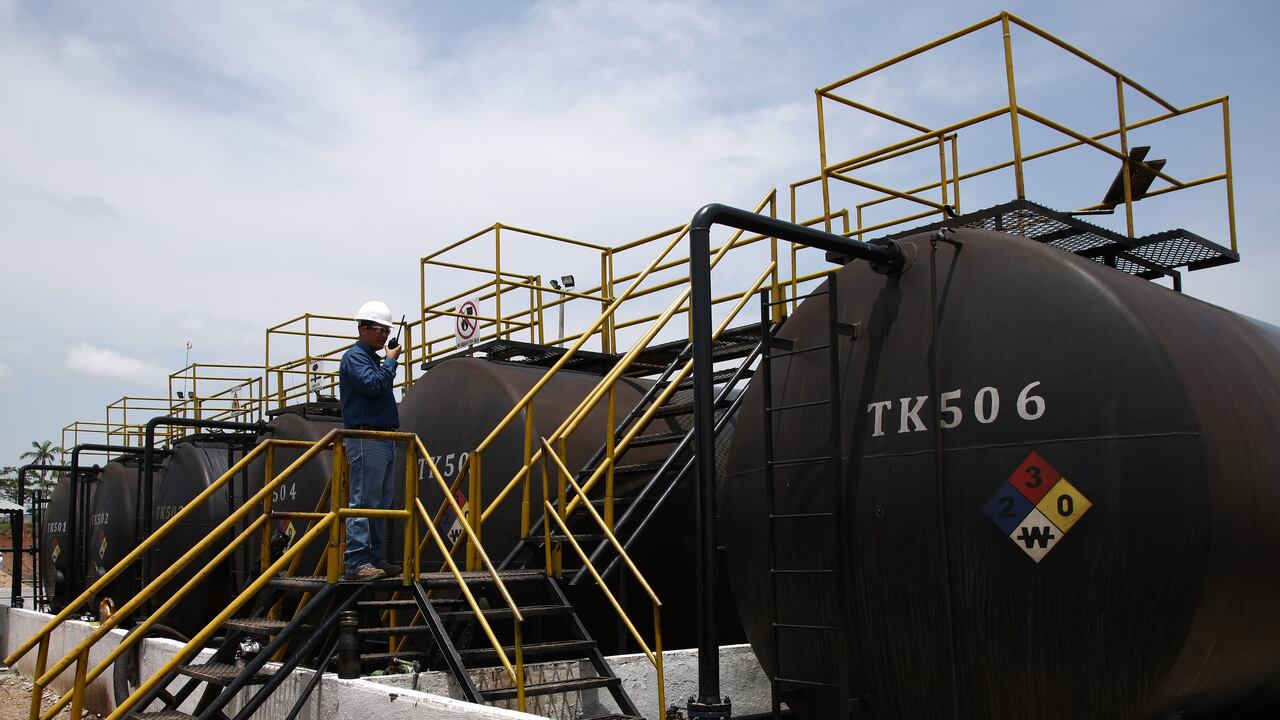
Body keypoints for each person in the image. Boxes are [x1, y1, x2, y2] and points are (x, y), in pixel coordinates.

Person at [339, 300, 402, 581]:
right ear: (363, 329)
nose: (384, 335)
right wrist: (390, 362)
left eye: (387, 331)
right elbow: (373, 385)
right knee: (364, 500)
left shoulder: (372, 360)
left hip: (383, 438)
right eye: (379, 329)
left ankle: (373, 558)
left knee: (380, 503)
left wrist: (386, 363)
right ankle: (356, 561)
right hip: (365, 437)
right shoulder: (354, 357)